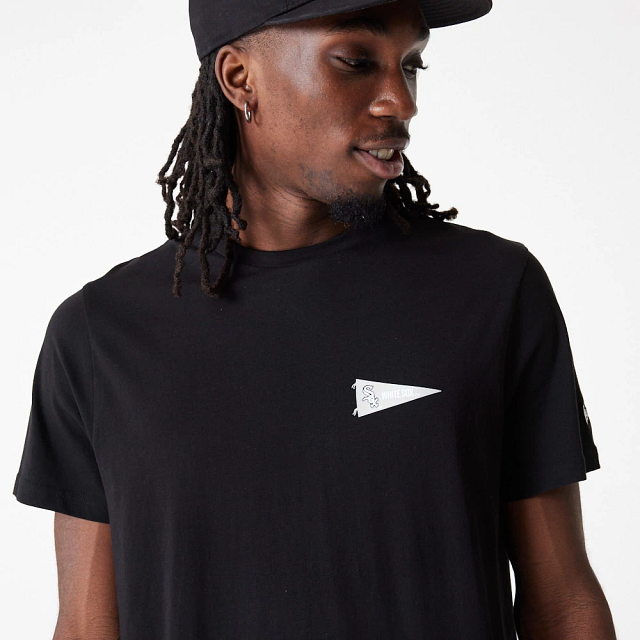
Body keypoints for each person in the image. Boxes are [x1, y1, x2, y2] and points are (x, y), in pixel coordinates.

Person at [12, 0, 616, 638]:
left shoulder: (492, 292)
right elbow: (85, 626)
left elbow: (563, 603)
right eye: (356, 61)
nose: (401, 102)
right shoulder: (101, 336)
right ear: (239, 77)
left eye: (412, 65)